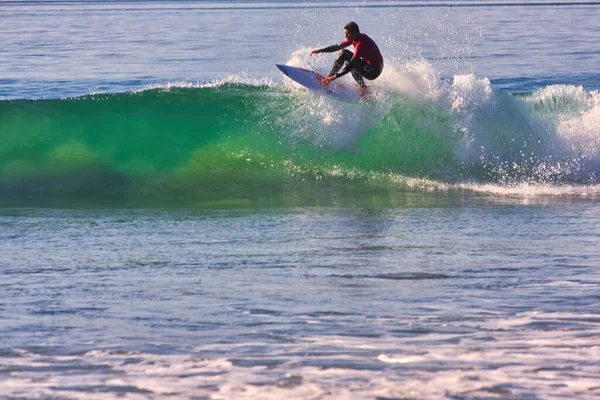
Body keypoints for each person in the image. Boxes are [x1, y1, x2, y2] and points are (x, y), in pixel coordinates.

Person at [309, 22, 383, 92]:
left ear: (354, 32)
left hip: (373, 71)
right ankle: (363, 87)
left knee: (345, 55)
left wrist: (334, 76)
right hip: (372, 66)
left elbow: (352, 63)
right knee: (347, 58)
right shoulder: (355, 38)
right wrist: (320, 50)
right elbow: (338, 47)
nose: (345, 36)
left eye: (347, 34)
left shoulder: (360, 44)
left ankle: (328, 80)